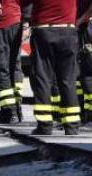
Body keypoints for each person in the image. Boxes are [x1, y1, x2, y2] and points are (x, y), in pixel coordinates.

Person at [26, 0, 81, 134]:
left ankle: (44, 125)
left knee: (43, 78)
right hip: (68, 30)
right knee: (68, 80)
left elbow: (25, 5)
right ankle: (72, 126)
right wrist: (78, 21)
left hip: (44, 31)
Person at [0, 0, 27, 122]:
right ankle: (17, 108)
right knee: (14, 66)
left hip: (1, 23)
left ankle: (9, 111)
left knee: (0, 68)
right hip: (16, 21)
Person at [78, 0, 92, 122]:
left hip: (86, 28)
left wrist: (79, 21)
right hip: (83, 28)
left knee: (87, 72)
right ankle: (87, 111)